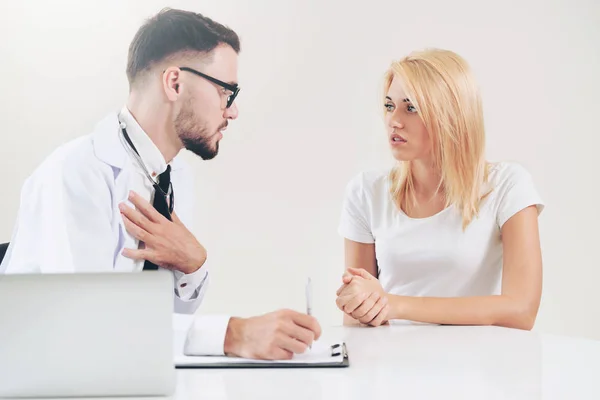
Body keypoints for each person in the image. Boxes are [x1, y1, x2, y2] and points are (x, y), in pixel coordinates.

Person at [0, 8, 320, 360]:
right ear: (174, 83)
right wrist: (234, 334)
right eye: (226, 91)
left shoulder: (174, 178)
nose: (232, 110)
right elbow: (83, 329)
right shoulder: (75, 172)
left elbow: (166, 332)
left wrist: (194, 265)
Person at [335, 48, 544, 330]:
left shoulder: (507, 185)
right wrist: (358, 301)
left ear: (451, 115)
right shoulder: (366, 192)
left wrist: (394, 304)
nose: (393, 120)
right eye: (389, 105)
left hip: (476, 366)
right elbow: (357, 321)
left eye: (411, 108)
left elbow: (521, 310)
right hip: (392, 366)